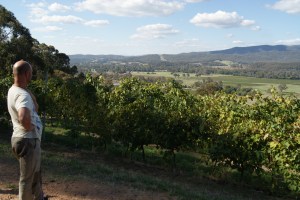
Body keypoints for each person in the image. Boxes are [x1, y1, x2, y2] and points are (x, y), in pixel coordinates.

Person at [7, 60, 46, 200]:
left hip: (22, 139)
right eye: (31, 73)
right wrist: (30, 127)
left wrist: (28, 92)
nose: (32, 75)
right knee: (26, 179)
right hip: (27, 140)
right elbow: (23, 116)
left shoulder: (15, 90)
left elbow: (35, 107)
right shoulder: (22, 96)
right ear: (27, 74)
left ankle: (39, 196)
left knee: (35, 172)